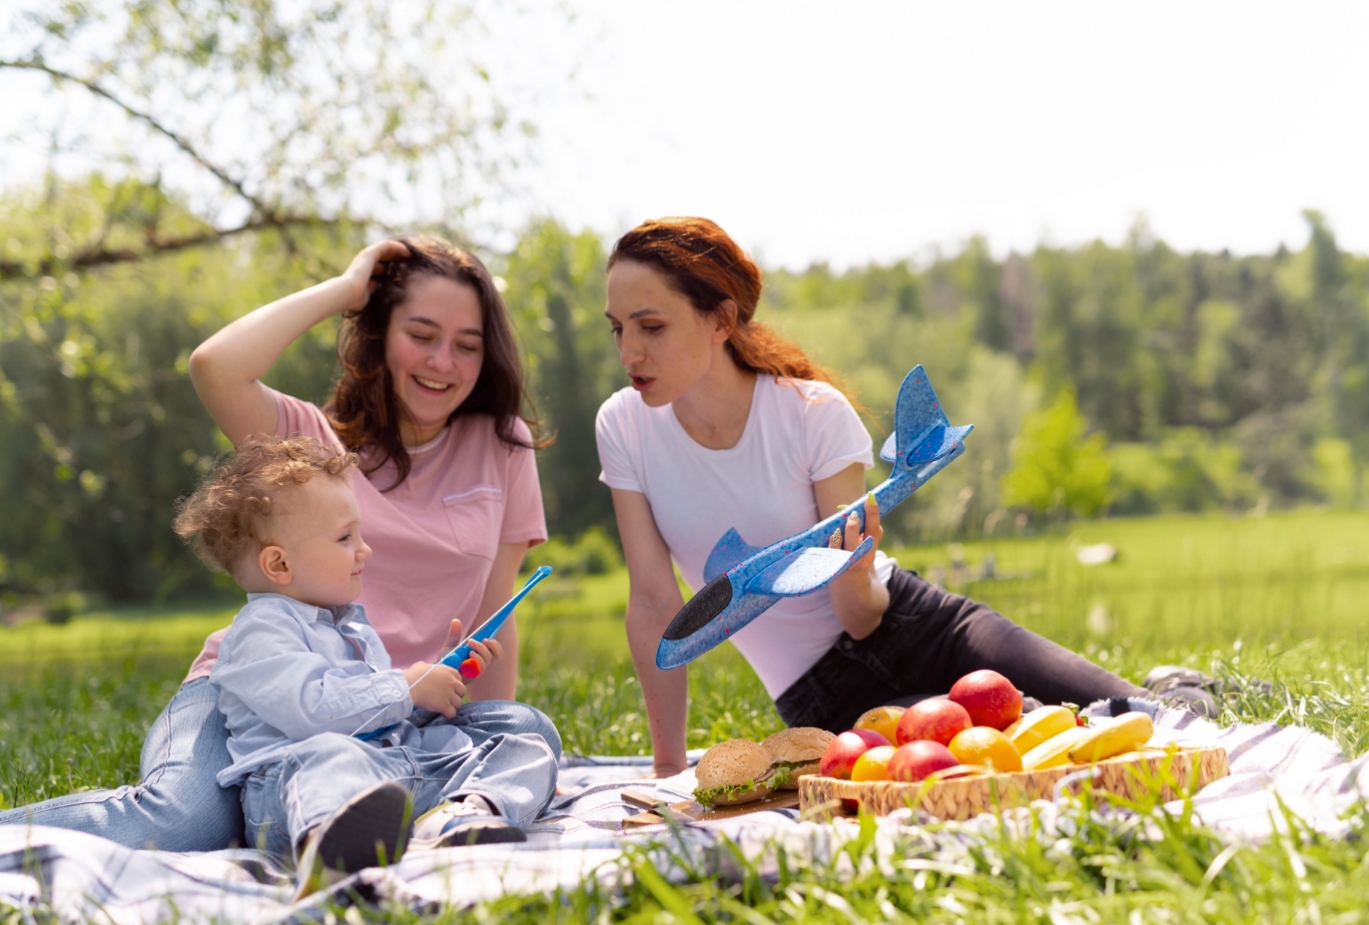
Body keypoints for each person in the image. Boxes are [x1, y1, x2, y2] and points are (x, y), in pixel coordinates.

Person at [0, 236, 558, 849]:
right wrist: (346, 291)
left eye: (467, 346)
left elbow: (494, 612)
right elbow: (215, 365)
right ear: (377, 334)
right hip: (258, 696)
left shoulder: (503, 444)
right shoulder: (307, 452)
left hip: (396, 717)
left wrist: (469, 724)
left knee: (526, 732)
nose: (442, 362)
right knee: (185, 822)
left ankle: (349, 814)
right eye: (421, 336)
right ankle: (263, 804)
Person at [595, 217, 1180, 779]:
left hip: (915, 621)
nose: (629, 353)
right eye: (617, 328)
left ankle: (1182, 687)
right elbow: (652, 605)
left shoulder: (811, 414)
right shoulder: (624, 428)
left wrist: (852, 574)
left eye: (651, 327)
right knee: (1034, 745)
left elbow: (861, 614)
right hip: (827, 701)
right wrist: (668, 766)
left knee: (1148, 719)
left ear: (721, 319)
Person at [176, 436, 555, 891]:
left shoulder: (348, 623)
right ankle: (327, 845)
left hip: (393, 770)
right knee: (330, 754)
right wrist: (405, 687)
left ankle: (464, 814)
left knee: (524, 731)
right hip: (296, 790)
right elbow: (314, 712)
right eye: (344, 537)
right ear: (279, 564)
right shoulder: (262, 630)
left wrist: (440, 682)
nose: (364, 550)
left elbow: (375, 718)